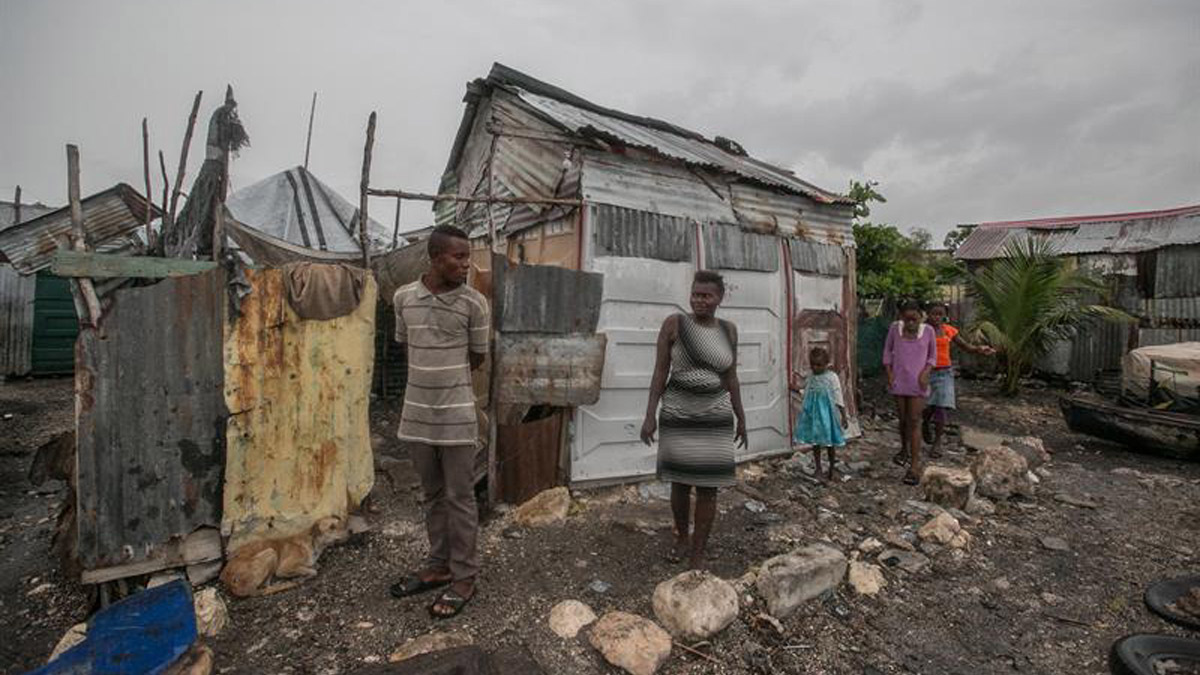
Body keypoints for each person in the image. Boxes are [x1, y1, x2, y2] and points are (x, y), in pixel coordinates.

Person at [389, 225, 490, 619]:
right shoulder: (403, 299)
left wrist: (447, 381)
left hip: (458, 416)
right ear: (434, 258)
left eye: (468, 256)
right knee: (431, 495)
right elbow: (406, 345)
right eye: (459, 257)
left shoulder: (474, 304)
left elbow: (476, 357)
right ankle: (438, 565)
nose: (467, 264)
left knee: (460, 497)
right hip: (416, 415)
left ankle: (465, 576)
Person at [640, 270, 747, 569]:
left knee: (709, 487)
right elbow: (660, 371)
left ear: (719, 298)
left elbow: (731, 377)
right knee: (680, 483)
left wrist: (742, 416)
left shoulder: (729, 331)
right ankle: (682, 538)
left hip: (716, 415)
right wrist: (650, 415)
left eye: (706, 295)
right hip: (678, 412)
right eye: (695, 294)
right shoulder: (675, 324)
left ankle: (698, 552)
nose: (699, 300)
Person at [922, 303, 995, 458]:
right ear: (927, 314)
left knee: (942, 406)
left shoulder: (949, 330)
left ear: (945, 316)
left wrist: (979, 349)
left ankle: (937, 442)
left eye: (940, 314)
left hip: (944, 373)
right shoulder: (922, 330)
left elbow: (965, 346)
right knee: (929, 406)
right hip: (926, 372)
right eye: (933, 314)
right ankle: (925, 422)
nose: (936, 317)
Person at [882, 299, 936, 485]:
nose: (911, 323)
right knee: (903, 419)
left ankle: (914, 465)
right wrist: (889, 372)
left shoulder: (928, 331)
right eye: (907, 319)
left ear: (921, 317)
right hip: (899, 380)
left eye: (914, 319)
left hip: (917, 383)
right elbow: (887, 352)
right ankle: (904, 449)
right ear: (902, 318)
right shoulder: (895, 329)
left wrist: (926, 373)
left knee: (914, 421)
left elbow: (932, 357)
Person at [791, 346, 848, 481]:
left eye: (819, 365)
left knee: (829, 443)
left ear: (826, 364)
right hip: (814, 416)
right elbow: (807, 391)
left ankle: (832, 469)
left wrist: (844, 415)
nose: (815, 368)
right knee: (815, 442)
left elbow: (838, 396)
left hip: (828, 415)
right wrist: (796, 389)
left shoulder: (832, 377)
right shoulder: (811, 377)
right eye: (813, 365)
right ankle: (818, 468)